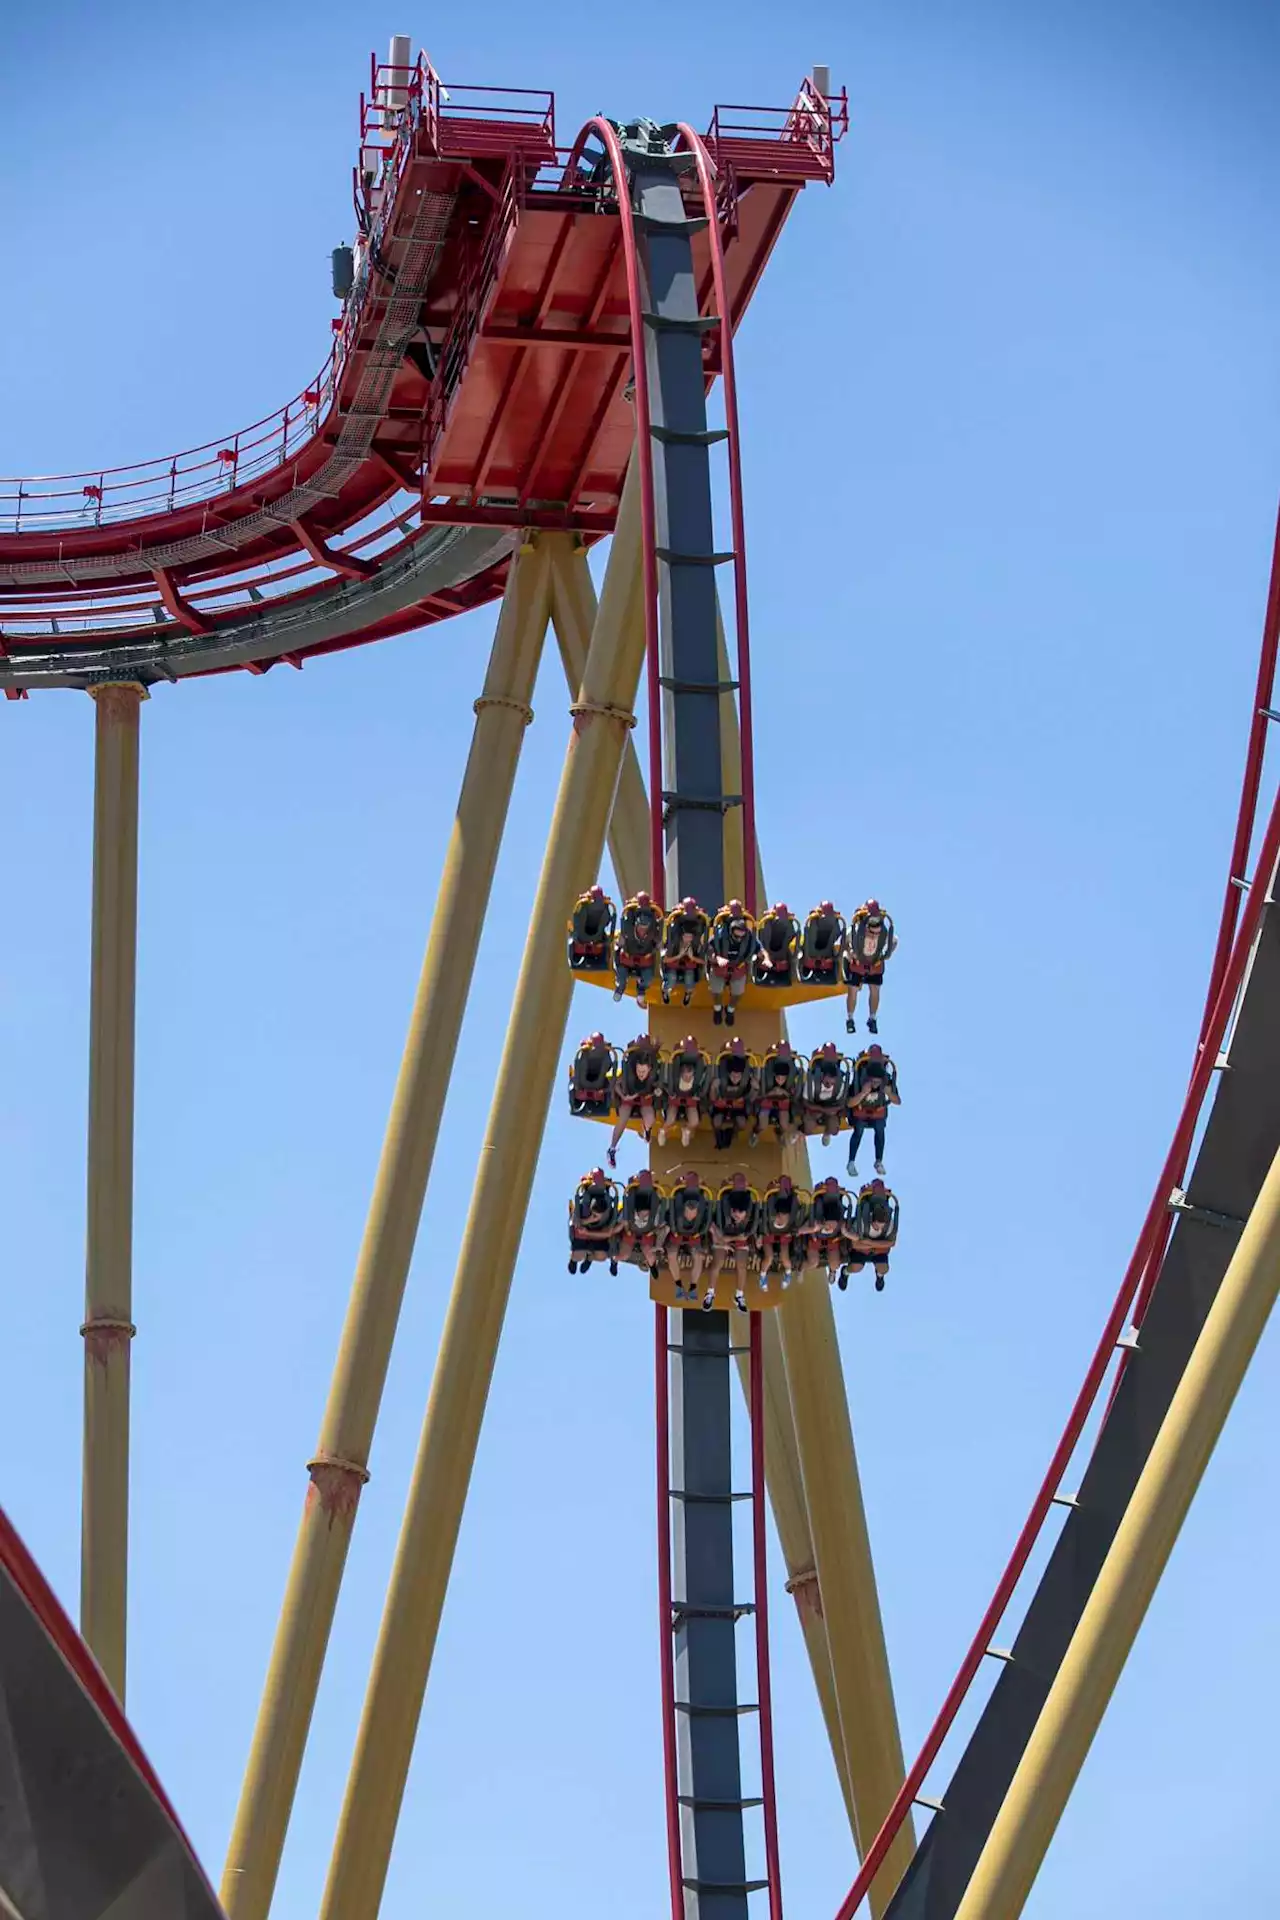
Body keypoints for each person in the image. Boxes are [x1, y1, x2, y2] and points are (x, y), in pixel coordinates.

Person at [606, 1033, 665, 1168]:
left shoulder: (655, 1063)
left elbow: (658, 1083)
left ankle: (646, 1130)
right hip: (629, 1096)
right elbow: (617, 1084)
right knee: (623, 1119)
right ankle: (612, 1148)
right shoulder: (628, 1065)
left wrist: (657, 1091)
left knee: (650, 1118)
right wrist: (623, 1096)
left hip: (645, 1097)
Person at [845, 1044, 900, 1179]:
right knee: (859, 1130)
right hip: (860, 1111)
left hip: (877, 1112)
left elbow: (897, 1101)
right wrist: (863, 1093)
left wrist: (889, 1093)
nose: (875, 1082)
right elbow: (850, 1103)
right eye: (873, 1079)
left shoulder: (886, 1080)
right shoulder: (860, 1078)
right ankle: (851, 1161)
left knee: (880, 1129)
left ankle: (878, 1161)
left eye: (878, 1079)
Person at [844, 899, 896, 1034]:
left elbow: (894, 941)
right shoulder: (855, 930)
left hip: (874, 964)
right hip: (858, 963)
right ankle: (850, 1018)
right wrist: (850, 954)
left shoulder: (883, 931)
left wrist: (886, 955)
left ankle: (872, 1018)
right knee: (853, 990)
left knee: (875, 990)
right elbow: (845, 942)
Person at [710, 1172, 757, 1310]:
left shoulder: (748, 1204)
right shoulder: (724, 1205)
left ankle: (739, 1295)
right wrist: (731, 1240)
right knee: (717, 1262)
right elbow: (719, 1236)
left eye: (741, 1215)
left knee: (741, 1265)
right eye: (735, 1214)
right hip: (724, 1237)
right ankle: (710, 1292)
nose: (738, 1217)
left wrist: (742, 1238)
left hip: (740, 1238)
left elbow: (749, 1232)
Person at [842, 1178, 899, 1291]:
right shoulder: (863, 1222)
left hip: (874, 1248)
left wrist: (869, 1243)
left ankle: (879, 1276)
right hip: (863, 1249)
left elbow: (892, 1243)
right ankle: (845, 1272)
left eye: (882, 1226)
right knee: (856, 1267)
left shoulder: (889, 1224)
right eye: (877, 1226)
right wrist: (879, 1244)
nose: (880, 1228)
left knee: (884, 1268)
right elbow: (855, 1245)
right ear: (872, 1219)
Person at [665, 1170, 713, 1300]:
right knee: (671, 1254)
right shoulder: (678, 1194)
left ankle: (693, 1287)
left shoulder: (702, 1196)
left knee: (698, 1256)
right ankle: (678, 1285)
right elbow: (669, 1216)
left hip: (694, 1235)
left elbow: (708, 1221)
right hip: (677, 1233)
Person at [708, 900, 757, 1025]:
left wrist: (765, 958)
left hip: (738, 968)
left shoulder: (748, 936)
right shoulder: (719, 934)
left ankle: (730, 1010)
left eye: (741, 936)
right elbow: (709, 949)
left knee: (738, 993)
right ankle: (718, 1009)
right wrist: (717, 958)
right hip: (720, 967)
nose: (739, 938)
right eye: (737, 936)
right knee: (716, 990)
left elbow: (759, 947)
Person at [799, 1174, 854, 1281]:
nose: (831, 1227)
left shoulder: (839, 1222)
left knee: (835, 1264)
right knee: (813, 1262)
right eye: (829, 1225)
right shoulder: (818, 1221)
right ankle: (801, 1269)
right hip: (816, 1239)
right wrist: (812, 1231)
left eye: (833, 1226)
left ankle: (832, 1271)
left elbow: (850, 1234)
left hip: (832, 1241)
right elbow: (801, 1230)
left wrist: (845, 1233)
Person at [567, 1169, 621, 1274]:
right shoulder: (583, 1205)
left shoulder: (607, 1204)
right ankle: (574, 1260)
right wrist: (589, 1221)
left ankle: (590, 1258)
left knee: (601, 1256)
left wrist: (593, 1230)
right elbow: (576, 1222)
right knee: (579, 1255)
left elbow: (608, 1231)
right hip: (583, 1230)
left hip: (599, 1231)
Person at [613, 891, 663, 1006]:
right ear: (636, 925)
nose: (642, 930)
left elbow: (659, 944)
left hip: (644, 959)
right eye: (640, 927)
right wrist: (619, 945)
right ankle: (620, 988)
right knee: (621, 977)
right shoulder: (628, 930)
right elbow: (619, 944)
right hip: (628, 957)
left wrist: (659, 946)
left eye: (645, 928)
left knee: (648, 978)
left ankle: (641, 991)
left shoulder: (652, 933)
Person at [662, 1036, 710, 1148]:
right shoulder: (673, 1076)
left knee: (694, 1121)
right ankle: (663, 1131)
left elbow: (702, 1085)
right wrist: (670, 1093)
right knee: (670, 1120)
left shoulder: (698, 1077)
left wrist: (698, 1095)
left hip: (690, 1099)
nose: (687, 1076)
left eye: (690, 1073)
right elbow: (665, 1084)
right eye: (685, 1073)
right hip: (675, 1099)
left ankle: (686, 1130)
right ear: (680, 1072)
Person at [752, 1041, 803, 1146]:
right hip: (766, 1103)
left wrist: (784, 1092)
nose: (780, 1080)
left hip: (783, 1104)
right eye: (778, 1078)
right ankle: (755, 1132)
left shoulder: (791, 1076)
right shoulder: (766, 1073)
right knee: (763, 1124)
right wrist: (770, 1092)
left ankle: (779, 1132)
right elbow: (759, 1094)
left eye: (782, 1078)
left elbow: (793, 1096)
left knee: (785, 1124)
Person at [760, 1174, 807, 1288]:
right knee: (769, 1257)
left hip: (784, 1236)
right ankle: (762, 1275)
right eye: (780, 1217)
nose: (781, 1220)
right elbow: (763, 1222)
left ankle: (788, 1273)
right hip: (769, 1234)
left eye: (785, 1217)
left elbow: (795, 1225)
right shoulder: (771, 1215)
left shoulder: (790, 1217)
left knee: (785, 1258)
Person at [709, 1037, 756, 1151]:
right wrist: (713, 1088)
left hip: (738, 1105)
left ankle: (733, 1133)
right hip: (721, 1104)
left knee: (742, 1124)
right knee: (717, 1122)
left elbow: (750, 1099)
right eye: (733, 1075)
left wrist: (755, 1089)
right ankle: (718, 1136)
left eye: (738, 1076)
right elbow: (712, 1099)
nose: (735, 1078)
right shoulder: (721, 1078)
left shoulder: (747, 1080)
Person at [661, 897, 710, 1006]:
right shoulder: (674, 944)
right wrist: (679, 956)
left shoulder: (696, 945)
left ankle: (688, 994)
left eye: (690, 937)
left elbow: (703, 962)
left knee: (689, 980)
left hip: (689, 966)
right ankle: (665, 992)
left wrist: (692, 958)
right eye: (686, 937)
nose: (688, 939)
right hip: (674, 964)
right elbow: (665, 959)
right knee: (672, 979)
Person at [618, 1169, 667, 1275]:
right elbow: (624, 1220)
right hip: (631, 1231)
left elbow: (661, 1223)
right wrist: (626, 1229)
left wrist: (653, 1231)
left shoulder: (654, 1203)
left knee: (649, 1253)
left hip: (646, 1232)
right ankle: (614, 1261)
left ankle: (652, 1265)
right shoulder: (631, 1199)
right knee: (624, 1254)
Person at [803, 1041, 852, 1146]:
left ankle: (827, 1132)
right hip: (814, 1108)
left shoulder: (840, 1085)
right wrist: (820, 1109)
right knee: (808, 1128)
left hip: (831, 1109)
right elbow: (805, 1101)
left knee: (834, 1129)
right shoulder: (812, 1083)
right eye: (827, 1082)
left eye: (832, 1082)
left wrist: (832, 1110)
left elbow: (842, 1102)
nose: (829, 1084)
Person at [566, 885, 617, 972]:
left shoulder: (585, 904)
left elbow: (577, 919)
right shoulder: (605, 906)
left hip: (582, 937)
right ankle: (604, 963)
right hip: (597, 937)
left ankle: (574, 961)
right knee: (606, 941)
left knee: (573, 936)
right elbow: (608, 921)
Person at [568, 1032, 616, 1119]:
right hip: (585, 1081)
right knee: (575, 1082)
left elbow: (608, 1066)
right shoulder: (585, 1051)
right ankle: (576, 1104)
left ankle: (602, 1105)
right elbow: (579, 1067)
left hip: (598, 1080)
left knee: (604, 1081)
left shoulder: (605, 1052)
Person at [752, 902, 800, 988]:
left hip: (781, 954)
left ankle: (794, 975)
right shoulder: (767, 922)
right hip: (767, 954)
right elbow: (762, 937)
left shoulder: (788, 924)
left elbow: (791, 935)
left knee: (791, 957)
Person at [798, 901, 846, 984]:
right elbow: (837, 934)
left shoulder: (813, 920)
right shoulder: (834, 922)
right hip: (822, 957)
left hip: (815, 956)